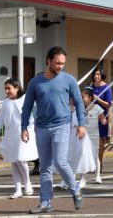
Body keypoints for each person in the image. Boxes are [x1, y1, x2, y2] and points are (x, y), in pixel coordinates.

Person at [21, 46, 85, 214]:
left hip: (62, 125)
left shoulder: (69, 80)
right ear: (48, 61)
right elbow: (26, 107)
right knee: (45, 167)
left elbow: (79, 103)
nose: (60, 66)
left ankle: (75, 189)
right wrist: (23, 127)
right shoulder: (35, 82)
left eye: (63, 63)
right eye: (57, 63)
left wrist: (81, 124)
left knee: (60, 161)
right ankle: (45, 202)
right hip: (41, 128)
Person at [0, 77, 38, 199]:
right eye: (5, 88)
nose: (7, 91)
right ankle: (18, 189)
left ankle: (27, 183)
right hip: (10, 134)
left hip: (23, 133)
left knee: (21, 159)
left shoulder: (25, 99)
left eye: (9, 88)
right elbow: (0, 119)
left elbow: (31, 116)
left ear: (17, 88)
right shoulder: (6, 102)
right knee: (14, 161)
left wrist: (27, 129)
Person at [80, 87, 107, 184]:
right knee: (83, 155)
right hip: (84, 135)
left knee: (95, 156)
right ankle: (82, 178)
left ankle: (98, 176)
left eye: (83, 96)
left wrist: (104, 121)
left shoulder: (97, 108)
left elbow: (103, 119)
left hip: (94, 135)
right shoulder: (81, 108)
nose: (81, 98)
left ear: (90, 97)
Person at [89, 66, 113, 175]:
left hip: (101, 116)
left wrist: (97, 99)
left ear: (102, 75)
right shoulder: (91, 86)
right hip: (90, 116)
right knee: (90, 141)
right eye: (95, 74)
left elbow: (108, 103)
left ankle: (99, 163)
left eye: (98, 74)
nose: (96, 76)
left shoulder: (107, 87)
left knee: (99, 141)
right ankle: (92, 163)